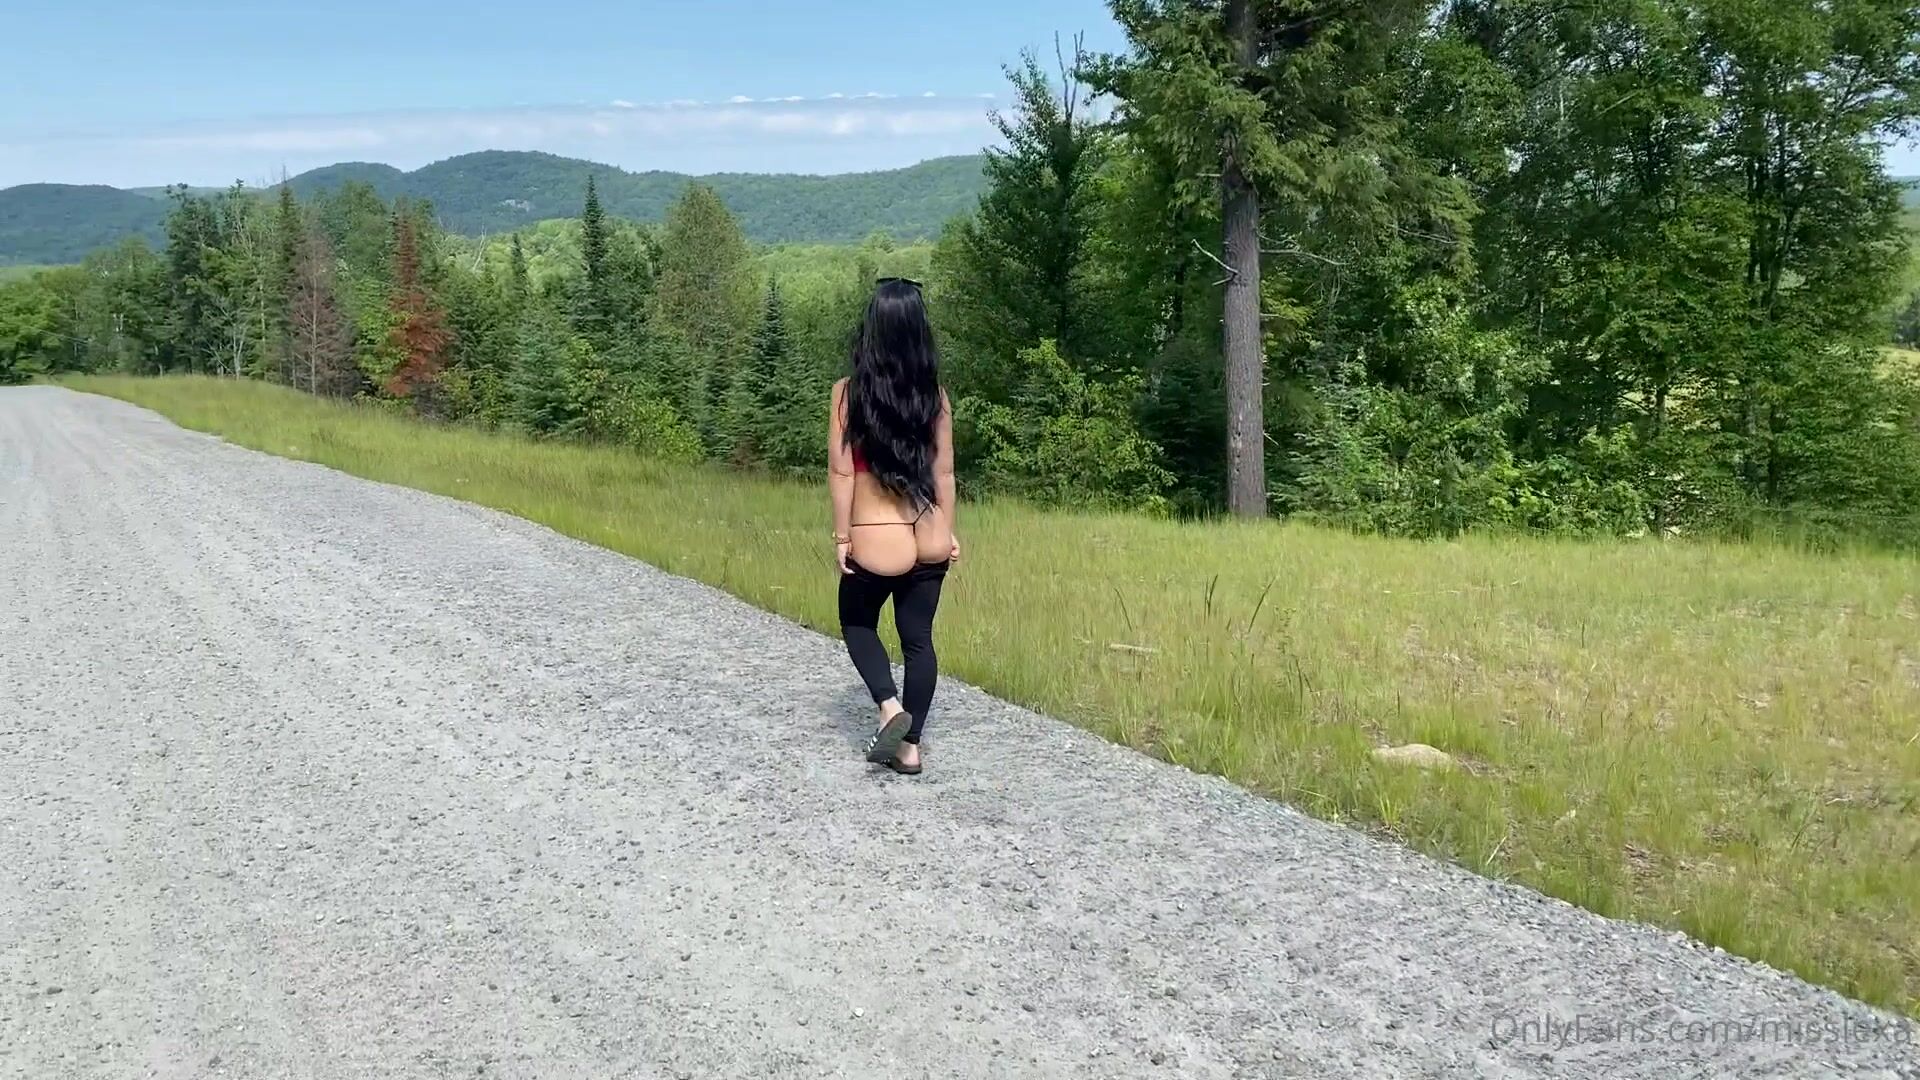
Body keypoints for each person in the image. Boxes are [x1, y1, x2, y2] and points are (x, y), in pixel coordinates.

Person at [830, 277, 959, 776]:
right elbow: (944, 474)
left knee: (857, 621)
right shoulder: (936, 398)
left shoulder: (847, 394)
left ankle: (889, 707)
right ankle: (911, 748)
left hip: (876, 531)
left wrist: (843, 535)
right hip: (929, 528)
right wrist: (949, 530)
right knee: (918, 639)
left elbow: (842, 472)